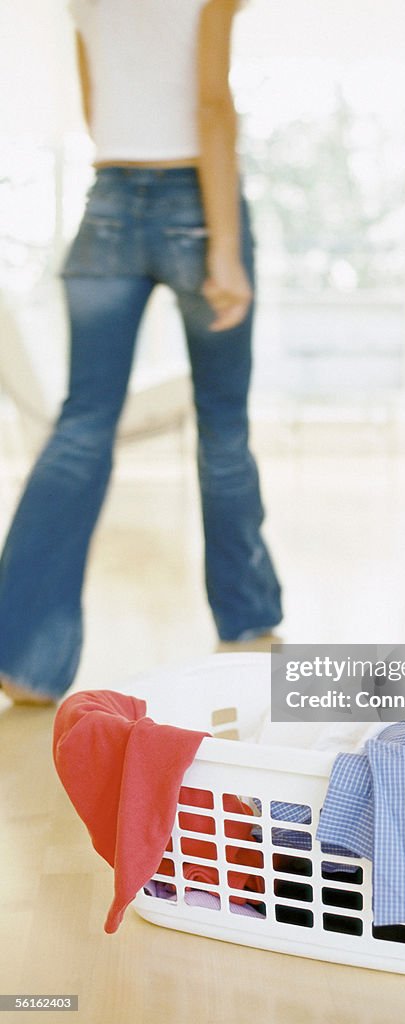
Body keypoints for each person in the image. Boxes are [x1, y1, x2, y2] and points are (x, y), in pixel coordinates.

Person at [0, 0, 282, 705]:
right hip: (196, 200)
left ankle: (21, 657)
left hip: (110, 201)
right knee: (221, 423)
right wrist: (222, 245)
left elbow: (100, 113)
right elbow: (212, 107)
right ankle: (246, 628)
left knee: (82, 423)